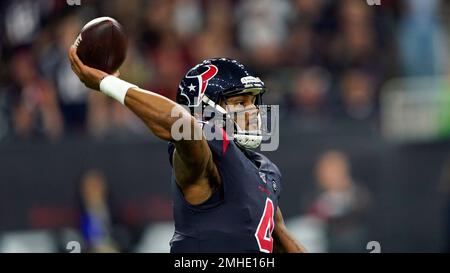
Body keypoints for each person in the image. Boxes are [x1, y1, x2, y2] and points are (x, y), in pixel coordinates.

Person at [68, 46, 306, 253]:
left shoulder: (264, 170)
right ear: (205, 110)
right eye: (240, 102)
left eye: (253, 102)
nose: (253, 111)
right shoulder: (204, 159)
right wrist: (107, 82)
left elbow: (282, 243)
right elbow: (184, 127)